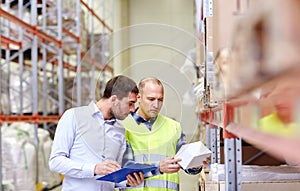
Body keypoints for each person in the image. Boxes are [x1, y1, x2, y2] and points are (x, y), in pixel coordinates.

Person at [49, 75, 144, 191]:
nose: (132, 109)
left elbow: (113, 176)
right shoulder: (73, 117)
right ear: (114, 99)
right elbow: (55, 161)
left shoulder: (120, 130)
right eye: (130, 103)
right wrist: (94, 169)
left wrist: (127, 182)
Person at [120, 77, 202, 191]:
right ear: (139, 97)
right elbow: (125, 168)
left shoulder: (174, 127)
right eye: (151, 99)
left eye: (160, 100)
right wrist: (158, 167)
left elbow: (185, 163)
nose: (156, 105)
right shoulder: (123, 127)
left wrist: (195, 163)